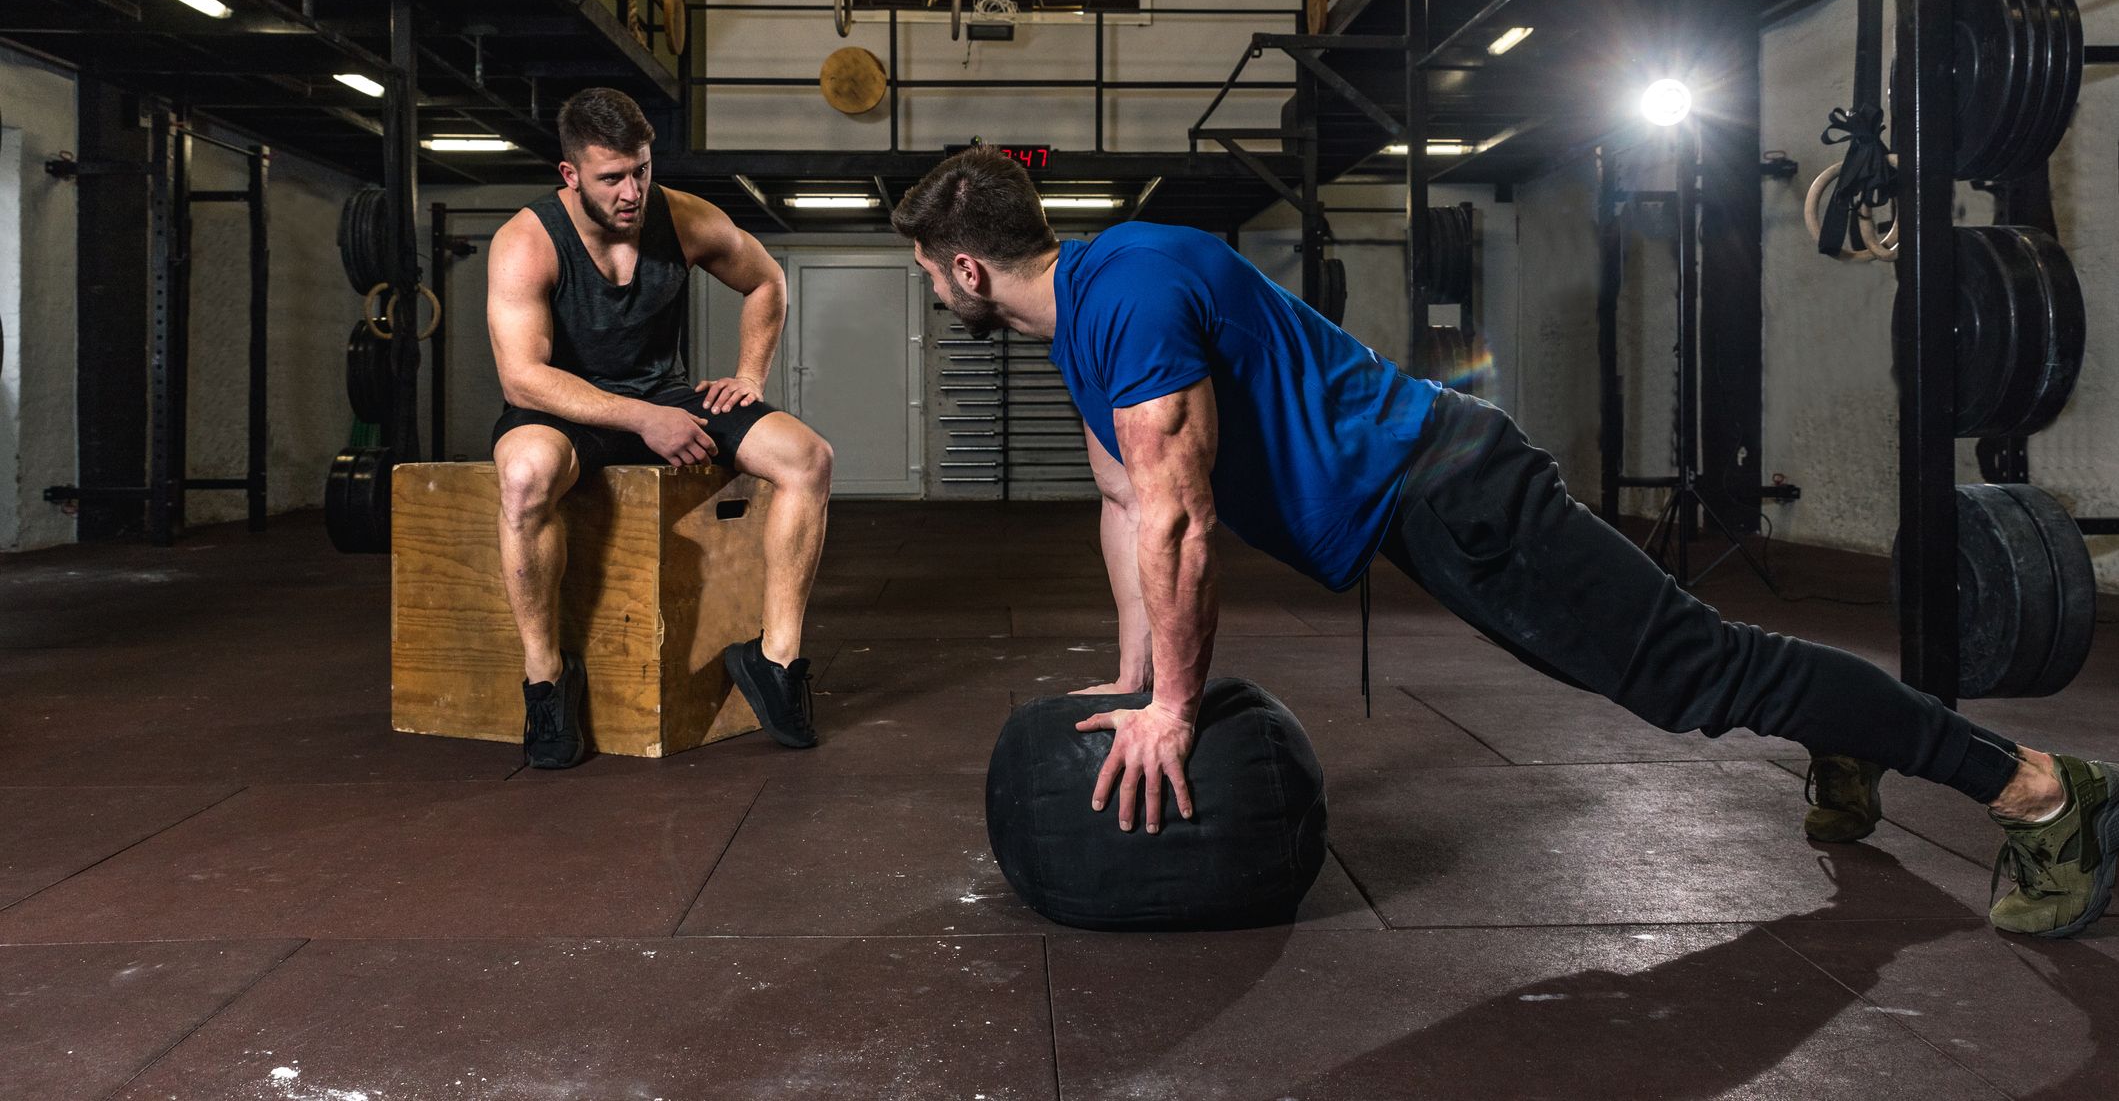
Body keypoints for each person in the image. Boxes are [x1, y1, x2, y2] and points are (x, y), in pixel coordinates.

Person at [888, 147, 2115, 940]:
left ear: (961, 267)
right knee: (1701, 667)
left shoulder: (1131, 298)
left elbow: (1177, 517)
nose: (937, 303)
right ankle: (1851, 738)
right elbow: (1121, 505)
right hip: (1422, 501)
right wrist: (1129, 677)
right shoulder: (1085, 317)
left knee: (1698, 674)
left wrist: (1172, 706)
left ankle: (2040, 789)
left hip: (1459, 489)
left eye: (931, 285)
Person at [485, 87, 830, 766]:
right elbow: (522, 376)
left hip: (665, 394)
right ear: (570, 175)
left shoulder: (684, 218)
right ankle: (546, 678)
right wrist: (644, 418)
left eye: (640, 170)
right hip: (562, 402)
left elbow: (766, 282)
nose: (631, 191)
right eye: (611, 177)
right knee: (524, 477)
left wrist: (749, 377)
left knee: (807, 458)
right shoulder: (526, 241)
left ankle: (776, 661)